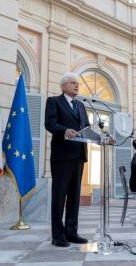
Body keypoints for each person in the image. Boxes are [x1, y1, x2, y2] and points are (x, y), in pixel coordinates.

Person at [44, 72, 90, 247]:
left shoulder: (80, 105)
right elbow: (49, 123)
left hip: (79, 155)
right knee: (59, 196)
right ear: (63, 86)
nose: (77, 86)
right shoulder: (54, 102)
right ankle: (58, 235)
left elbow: (85, 126)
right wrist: (64, 131)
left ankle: (72, 232)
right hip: (62, 156)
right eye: (73, 83)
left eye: (77, 83)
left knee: (74, 197)